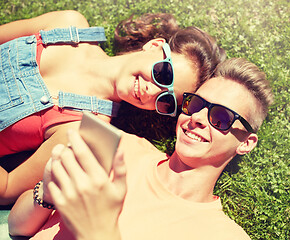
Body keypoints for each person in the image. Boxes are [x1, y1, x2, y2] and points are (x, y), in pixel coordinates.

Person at [8, 57, 274, 240]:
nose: (198, 119)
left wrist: (99, 230)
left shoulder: (223, 235)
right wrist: (46, 192)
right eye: (195, 105)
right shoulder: (120, 146)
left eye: (221, 118)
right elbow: (17, 226)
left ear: (246, 143)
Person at [0, 10, 226, 204]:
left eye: (166, 100)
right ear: (155, 46)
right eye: (163, 74)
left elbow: (7, 189)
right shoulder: (68, 25)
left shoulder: (84, 129)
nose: (153, 91)